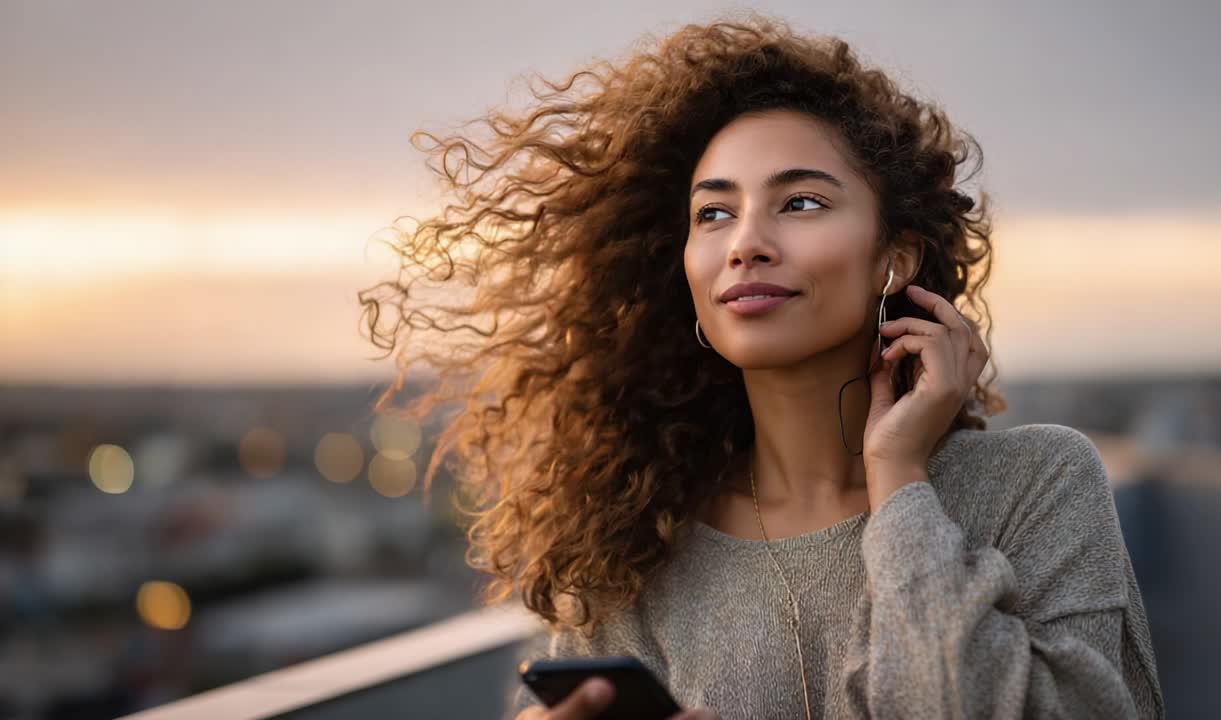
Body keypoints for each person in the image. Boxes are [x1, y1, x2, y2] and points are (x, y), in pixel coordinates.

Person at [359, 13, 1165, 720]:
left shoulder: (1037, 486)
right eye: (714, 212)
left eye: (800, 202)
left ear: (895, 257)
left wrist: (899, 481)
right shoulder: (631, 555)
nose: (745, 242)